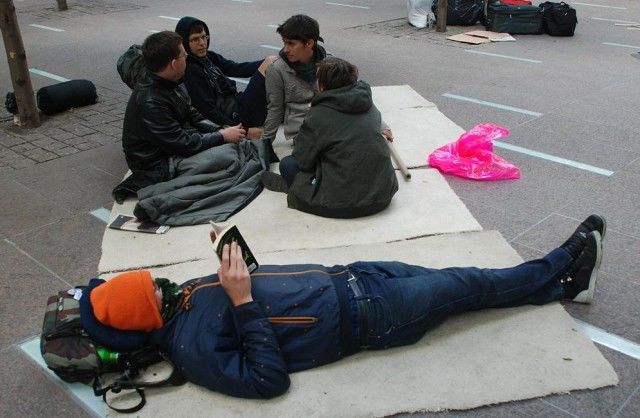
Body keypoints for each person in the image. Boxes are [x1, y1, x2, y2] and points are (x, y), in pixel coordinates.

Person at [80, 215, 605, 399]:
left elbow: (255, 286)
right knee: (469, 283)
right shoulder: (192, 351)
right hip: (367, 318)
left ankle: (560, 288)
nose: (158, 283)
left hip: (352, 276)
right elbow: (268, 380)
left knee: (462, 288)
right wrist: (241, 300)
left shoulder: (182, 301)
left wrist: (231, 257)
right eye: (148, 290)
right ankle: (562, 259)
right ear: (146, 318)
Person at [113, 31, 247, 201]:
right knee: (227, 157)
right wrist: (221, 137)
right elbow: (183, 144)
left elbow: (194, 116)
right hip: (158, 165)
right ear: (174, 64)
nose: (188, 58)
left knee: (233, 149)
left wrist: (221, 129)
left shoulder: (173, 81)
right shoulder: (150, 102)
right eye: (184, 55)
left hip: (174, 148)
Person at [262, 57, 398, 218]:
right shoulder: (368, 103)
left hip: (342, 204)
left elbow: (303, 160)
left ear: (322, 86)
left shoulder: (319, 114)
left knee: (288, 164)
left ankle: (293, 188)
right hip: (382, 195)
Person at [175, 17, 275, 140]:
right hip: (237, 117)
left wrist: (264, 62)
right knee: (272, 62)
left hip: (240, 105)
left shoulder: (209, 57)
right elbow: (208, 111)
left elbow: (237, 68)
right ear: (184, 43)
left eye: (204, 37)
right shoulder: (191, 70)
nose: (202, 43)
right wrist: (244, 131)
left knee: (272, 62)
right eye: (195, 39)